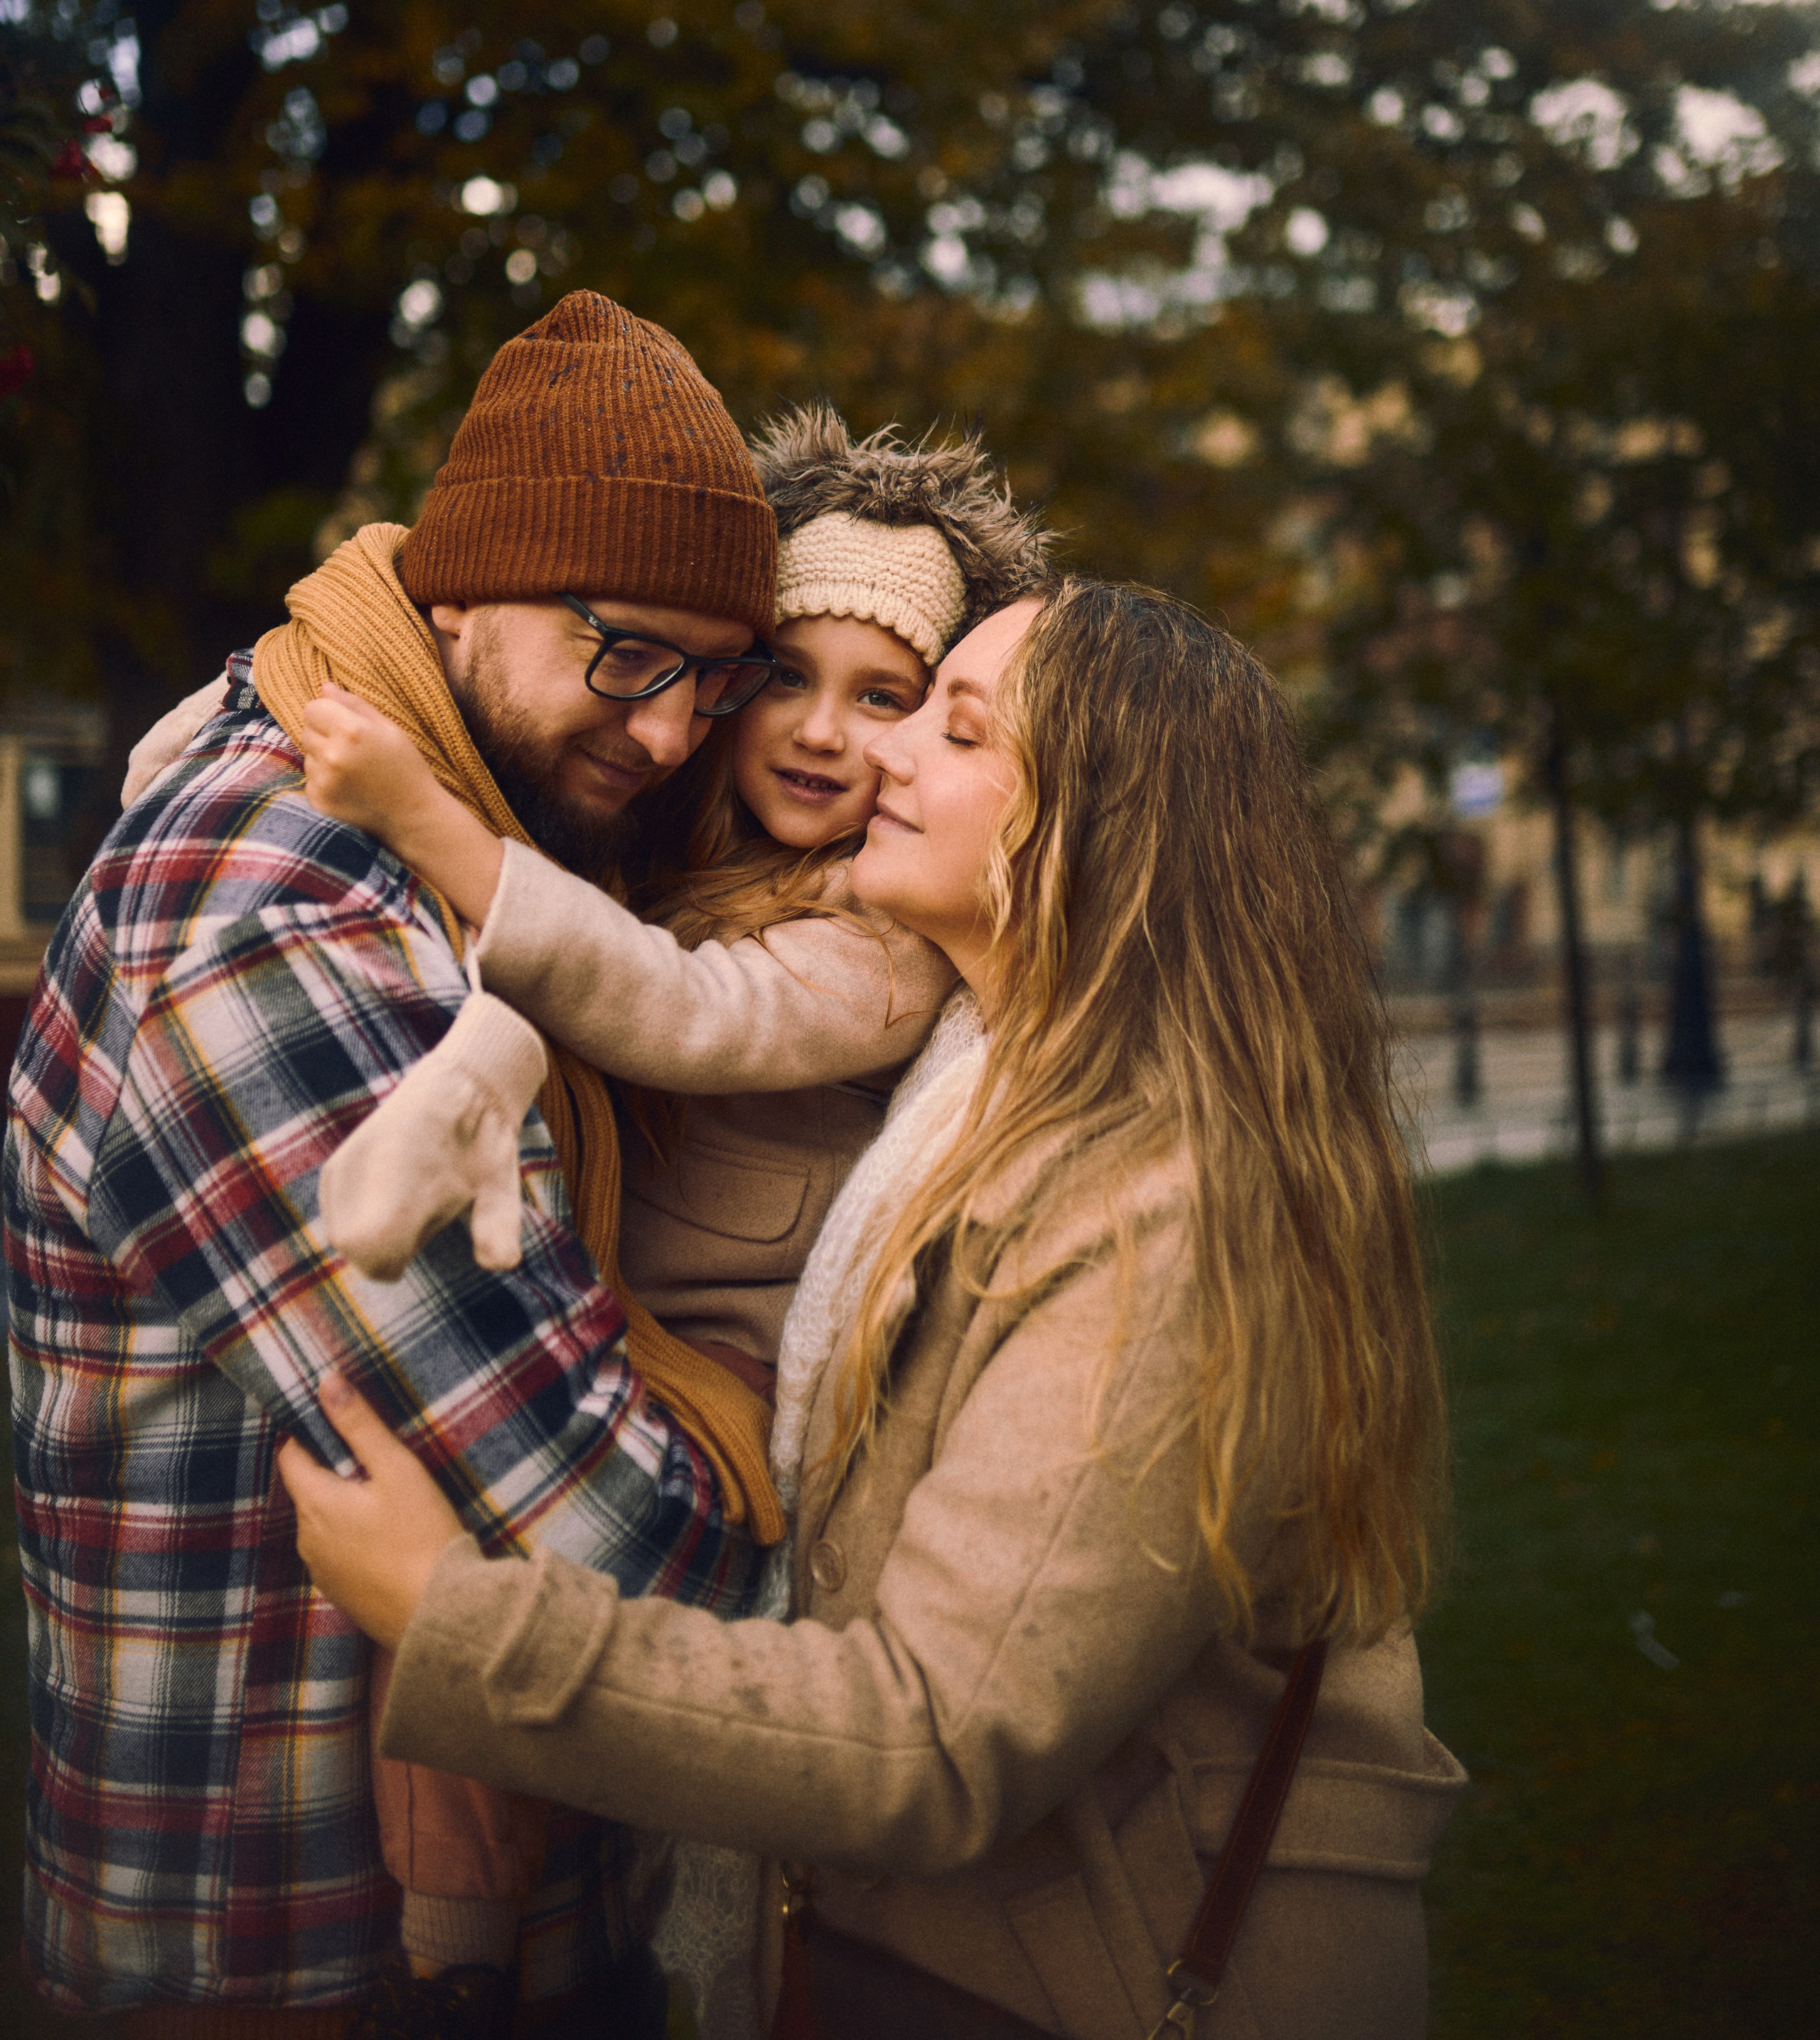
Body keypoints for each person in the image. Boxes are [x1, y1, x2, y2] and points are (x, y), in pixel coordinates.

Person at [282, 581, 1469, 2040]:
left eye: (953, 728)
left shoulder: (1167, 1197)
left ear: (1098, 824)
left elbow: (937, 1738)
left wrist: (450, 1621)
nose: (887, 757)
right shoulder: (975, 1085)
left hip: (1095, 1980)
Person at [4, 291, 799, 2039]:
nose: (671, 733)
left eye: (712, 673)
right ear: (461, 595)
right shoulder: (264, 909)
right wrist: (767, 1377)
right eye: (625, 652)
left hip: (487, 1947)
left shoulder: (457, 848)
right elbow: (614, 1546)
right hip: (285, 1963)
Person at [270, 410, 1049, 2016]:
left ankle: (462, 1973)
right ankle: (465, 1947)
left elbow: (685, 1013)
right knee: (432, 1555)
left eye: (885, 698)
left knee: (486, 1584)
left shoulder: (876, 939)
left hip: (734, 1373)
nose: (823, 733)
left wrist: (428, 823)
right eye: (783, 676)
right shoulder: (686, 842)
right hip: (616, 1313)